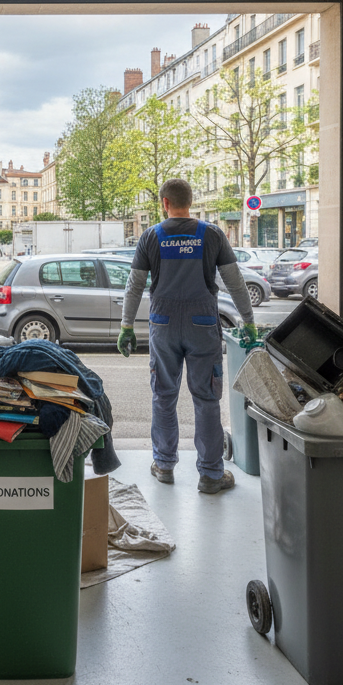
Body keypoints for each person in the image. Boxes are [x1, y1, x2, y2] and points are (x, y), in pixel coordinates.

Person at [116, 178, 256, 493]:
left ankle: (164, 466)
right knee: (207, 399)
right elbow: (235, 281)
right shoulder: (213, 234)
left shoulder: (151, 236)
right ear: (189, 202)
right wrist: (248, 320)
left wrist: (126, 325)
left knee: (163, 397)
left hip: (163, 325)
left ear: (165, 202)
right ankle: (210, 474)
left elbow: (134, 284)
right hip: (203, 324)